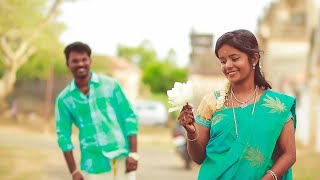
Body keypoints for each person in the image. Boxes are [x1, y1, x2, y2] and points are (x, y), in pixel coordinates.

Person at [178, 29, 296, 180]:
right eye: (223, 61)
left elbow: (289, 155)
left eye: (234, 58)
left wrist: (268, 177)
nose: (228, 65)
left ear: (254, 59)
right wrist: (191, 133)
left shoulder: (277, 106)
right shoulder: (211, 102)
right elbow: (198, 158)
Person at [55, 42, 139, 180]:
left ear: (90, 61)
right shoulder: (64, 99)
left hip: (122, 156)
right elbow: (63, 136)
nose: (80, 64)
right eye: (75, 61)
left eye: (84, 59)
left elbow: (129, 116)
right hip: (93, 163)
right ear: (67, 64)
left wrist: (134, 153)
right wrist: (74, 171)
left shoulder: (111, 85)